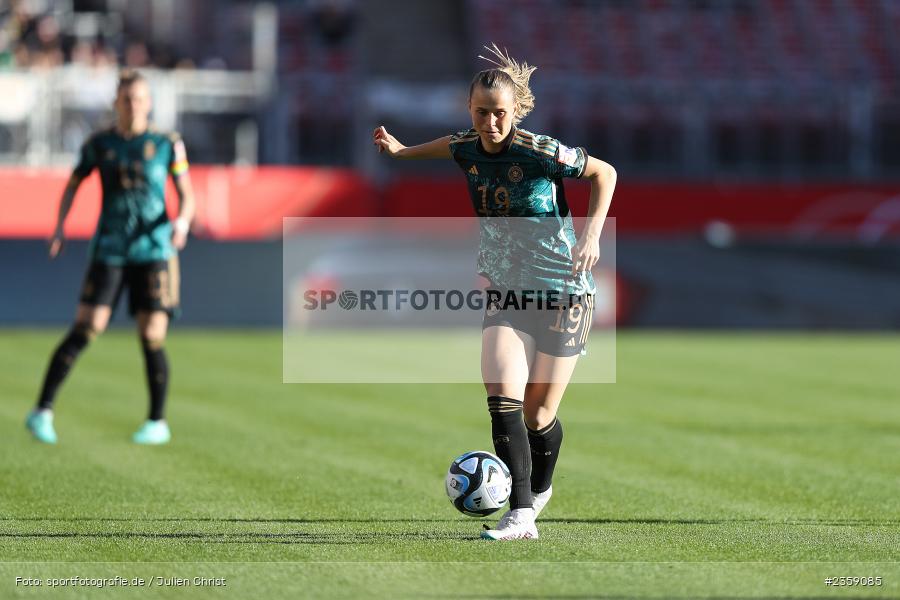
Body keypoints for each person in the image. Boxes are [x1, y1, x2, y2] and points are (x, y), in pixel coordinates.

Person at [373, 44, 616, 540]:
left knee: (539, 413)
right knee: (502, 398)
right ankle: (521, 513)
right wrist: (402, 152)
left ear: (516, 111)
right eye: (481, 113)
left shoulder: (540, 150)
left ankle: (539, 487)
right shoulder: (466, 145)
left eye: (500, 113)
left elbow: (604, 173)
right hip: (506, 290)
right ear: (470, 111)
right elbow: (449, 145)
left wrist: (591, 235)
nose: (490, 123)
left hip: (563, 290)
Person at [26, 69, 196, 445]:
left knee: (152, 333)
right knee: (86, 327)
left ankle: (157, 421)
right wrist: (59, 226)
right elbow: (73, 185)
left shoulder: (168, 143)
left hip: (155, 250)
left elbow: (186, 192)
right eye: (126, 99)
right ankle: (42, 411)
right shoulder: (99, 145)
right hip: (111, 249)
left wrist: (182, 223)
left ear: (149, 103)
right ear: (116, 103)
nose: (133, 105)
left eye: (139, 99)